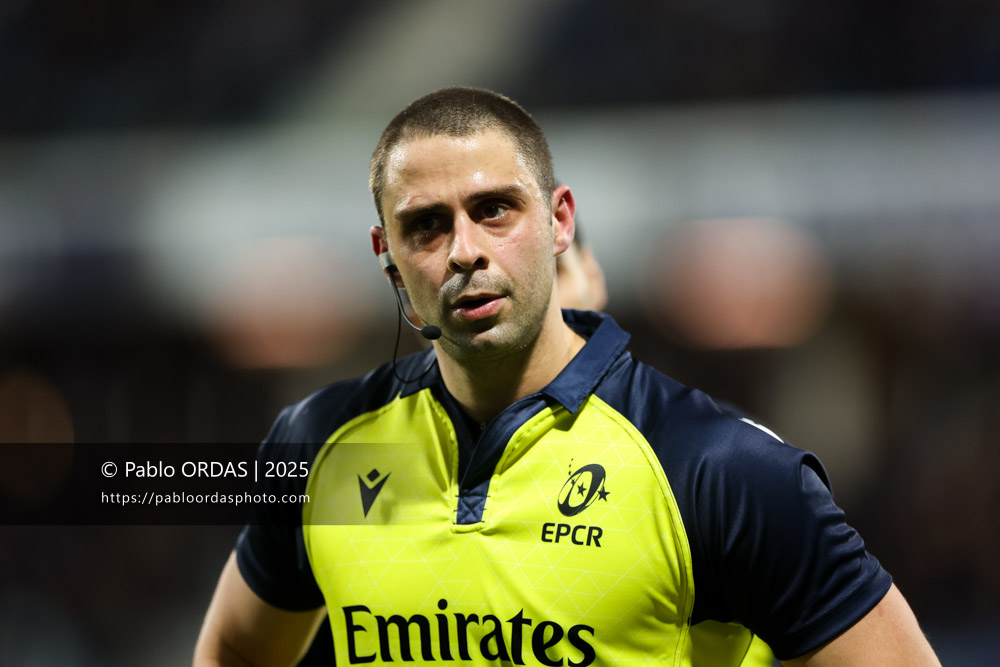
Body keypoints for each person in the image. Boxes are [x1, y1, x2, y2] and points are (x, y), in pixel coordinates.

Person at [194, 87, 940, 666]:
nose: (464, 251)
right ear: (386, 253)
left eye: (494, 210)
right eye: (427, 225)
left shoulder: (717, 469)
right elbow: (233, 649)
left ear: (559, 222)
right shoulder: (319, 446)